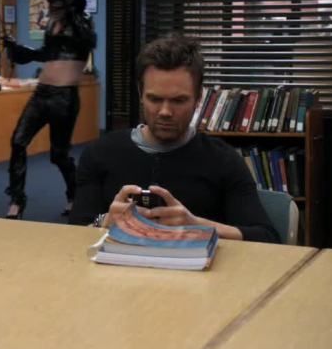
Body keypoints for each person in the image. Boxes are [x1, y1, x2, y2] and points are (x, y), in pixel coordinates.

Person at [69, 34, 279, 243]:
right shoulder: (100, 153)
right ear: (141, 94)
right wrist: (104, 221)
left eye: (179, 101)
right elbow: (75, 230)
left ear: (198, 98)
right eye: (154, 99)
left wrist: (196, 225)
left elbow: (266, 238)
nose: (165, 112)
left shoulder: (224, 160)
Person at [2, 0, 95, 219]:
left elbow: (84, 43)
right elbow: (46, 54)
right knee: (18, 142)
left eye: (57, 4)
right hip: (41, 94)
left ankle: (74, 195)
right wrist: (19, 50)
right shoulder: (52, 23)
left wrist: (73, 14)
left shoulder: (81, 24)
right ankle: (17, 200)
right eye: (50, 3)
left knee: (58, 154)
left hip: (64, 98)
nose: (52, 8)